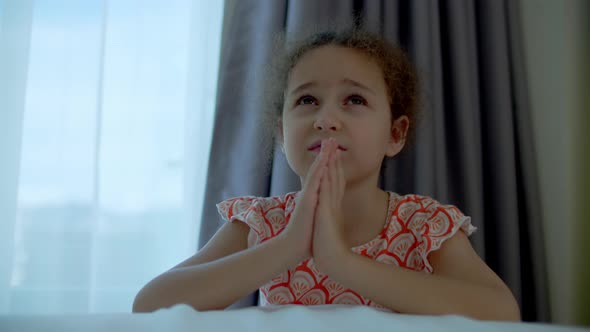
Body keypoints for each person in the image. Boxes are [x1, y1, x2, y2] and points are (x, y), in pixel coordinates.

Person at [132, 29, 521, 321]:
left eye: (354, 100)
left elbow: (502, 314)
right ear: (283, 136)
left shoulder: (422, 226)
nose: (326, 120)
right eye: (307, 100)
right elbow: (149, 306)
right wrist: (287, 246)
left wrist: (341, 262)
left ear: (395, 134)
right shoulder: (261, 223)